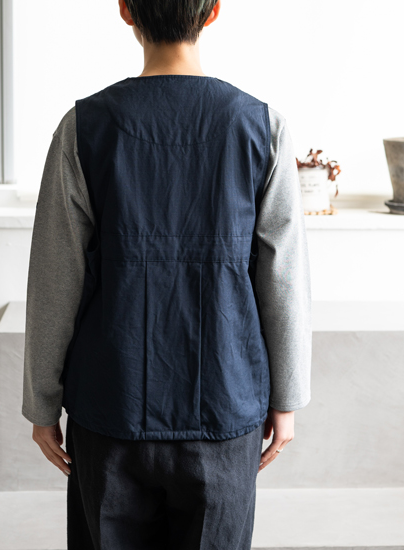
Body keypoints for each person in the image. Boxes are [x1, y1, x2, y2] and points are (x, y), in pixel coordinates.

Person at [22, 0, 312, 548]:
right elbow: (283, 277)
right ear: (213, 11)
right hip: (224, 408)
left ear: (126, 10)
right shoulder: (262, 126)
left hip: (110, 405)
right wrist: (288, 397)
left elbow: (55, 278)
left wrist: (41, 403)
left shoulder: (83, 127)